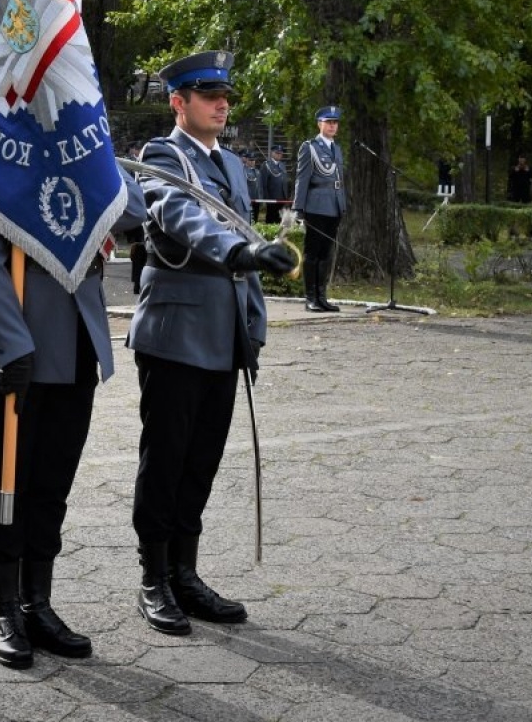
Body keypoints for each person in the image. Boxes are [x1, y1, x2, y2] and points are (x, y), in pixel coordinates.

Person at [0, 144, 145, 669]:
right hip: (19, 337)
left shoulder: (80, 146)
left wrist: (85, 150)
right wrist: (13, 342)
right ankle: (5, 607)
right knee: (6, 484)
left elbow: (134, 207)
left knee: (53, 483)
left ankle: (38, 601)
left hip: (76, 336)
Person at [127, 50, 298, 637]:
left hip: (222, 333)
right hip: (175, 331)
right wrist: (243, 252)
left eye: (225, 96)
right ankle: (153, 577)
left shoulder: (232, 164)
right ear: (180, 102)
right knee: (166, 456)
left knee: (202, 457)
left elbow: (244, 259)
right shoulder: (161, 156)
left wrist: (253, 326)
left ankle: (185, 571)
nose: (222, 105)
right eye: (208, 95)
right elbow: (181, 218)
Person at [292, 106, 349, 314]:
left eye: (335, 123)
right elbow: (302, 178)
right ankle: (310, 298)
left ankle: (322, 297)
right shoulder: (310, 147)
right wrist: (298, 208)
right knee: (313, 252)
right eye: (329, 122)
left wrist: (342, 205)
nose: (333, 126)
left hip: (334, 206)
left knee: (326, 253)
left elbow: (339, 180)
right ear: (320, 124)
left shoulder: (337, 149)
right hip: (315, 206)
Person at [258, 144, 288, 224]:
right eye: (277, 153)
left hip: (282, 197)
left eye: (281, 153)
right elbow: (263, 183)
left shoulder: (282, 165)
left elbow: (284, 182)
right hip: (271, 197)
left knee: (280, 219)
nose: (279, 155)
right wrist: (265, 198)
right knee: (271, 219)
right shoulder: (266, 165)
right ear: (272, 153)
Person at [241, 149, 263, 222]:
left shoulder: (257, 172)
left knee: (255, 219)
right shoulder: (242, 171)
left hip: (256, 199)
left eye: (253, 160)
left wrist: (261, 198)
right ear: (246, 159)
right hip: (247, 199)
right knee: (248, 219)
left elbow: (260, 187)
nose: (252, 162)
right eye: (250, 160)